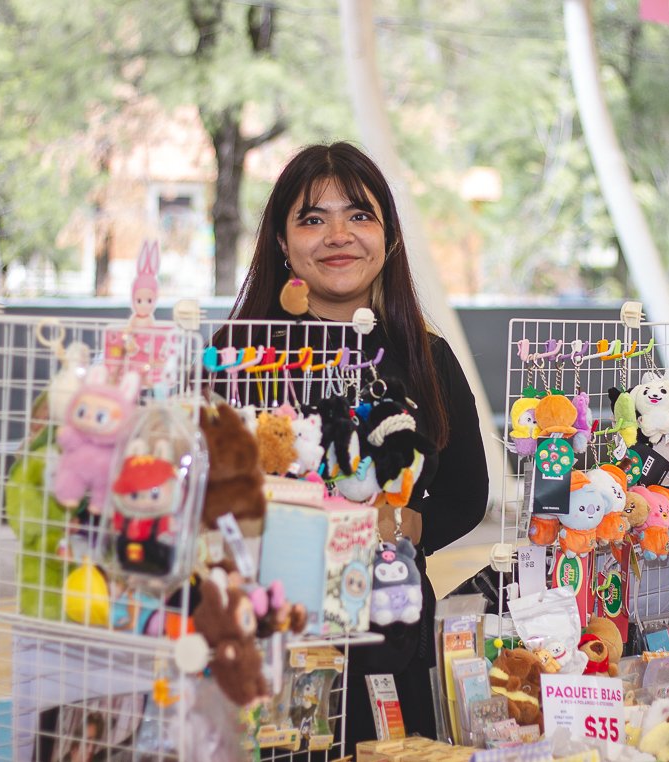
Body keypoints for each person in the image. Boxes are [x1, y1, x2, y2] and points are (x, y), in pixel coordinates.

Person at [226, 142, 490, 751]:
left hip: (390, 628)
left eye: (360, 215)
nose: (338, 235)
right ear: (281, 242)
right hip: (269, 632)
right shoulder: (240, 354)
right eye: (313, 218)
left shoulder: (428, 356)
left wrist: (393, 524)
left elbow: (466, 495)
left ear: (390, 237)